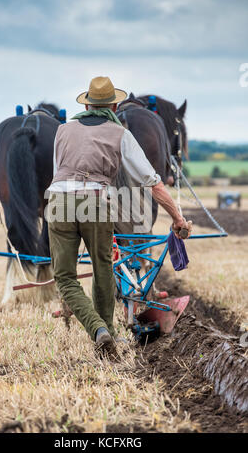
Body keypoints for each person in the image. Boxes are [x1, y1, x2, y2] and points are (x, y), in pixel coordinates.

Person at [46, 76, 191, 354]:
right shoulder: (120, 134)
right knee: (103, 269)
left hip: (59, 201)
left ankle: (99, 330)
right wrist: (177, 218)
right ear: (114, 105)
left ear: (87, 104)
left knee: (65, 277)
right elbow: (153, 182)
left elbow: (58, 174)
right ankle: (106, 330)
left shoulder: (63, 130)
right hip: (97, 202)